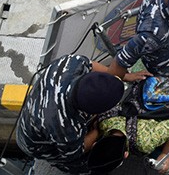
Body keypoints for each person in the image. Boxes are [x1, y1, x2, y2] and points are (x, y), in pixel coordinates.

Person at [16, 55, 146, 173]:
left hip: (40, 109)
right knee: (79, 163)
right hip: (35, 141)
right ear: (91, 112)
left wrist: (123, 76)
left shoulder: (70, 64)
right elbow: (76, 151)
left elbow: (90, 64)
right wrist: (96, 130)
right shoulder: (63, 125)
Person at [90, 115, 169, 173]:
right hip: (132, 115)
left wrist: (165, 153)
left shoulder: (146, 142)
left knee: (162, 164)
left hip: (162, 122)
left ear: (126, 154)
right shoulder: (105, 122)